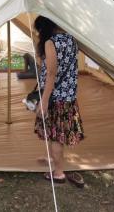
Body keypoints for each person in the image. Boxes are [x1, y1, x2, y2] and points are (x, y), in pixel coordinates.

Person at [33, 16, 84, 184]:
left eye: (38, 31)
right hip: (68, 96)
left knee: (55, 137)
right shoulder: (72, 39)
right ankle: (52, 160)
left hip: (55, 98)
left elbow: (52, 73)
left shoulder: (51, 43)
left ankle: (58, 173)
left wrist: (45, 100)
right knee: (53, 134)